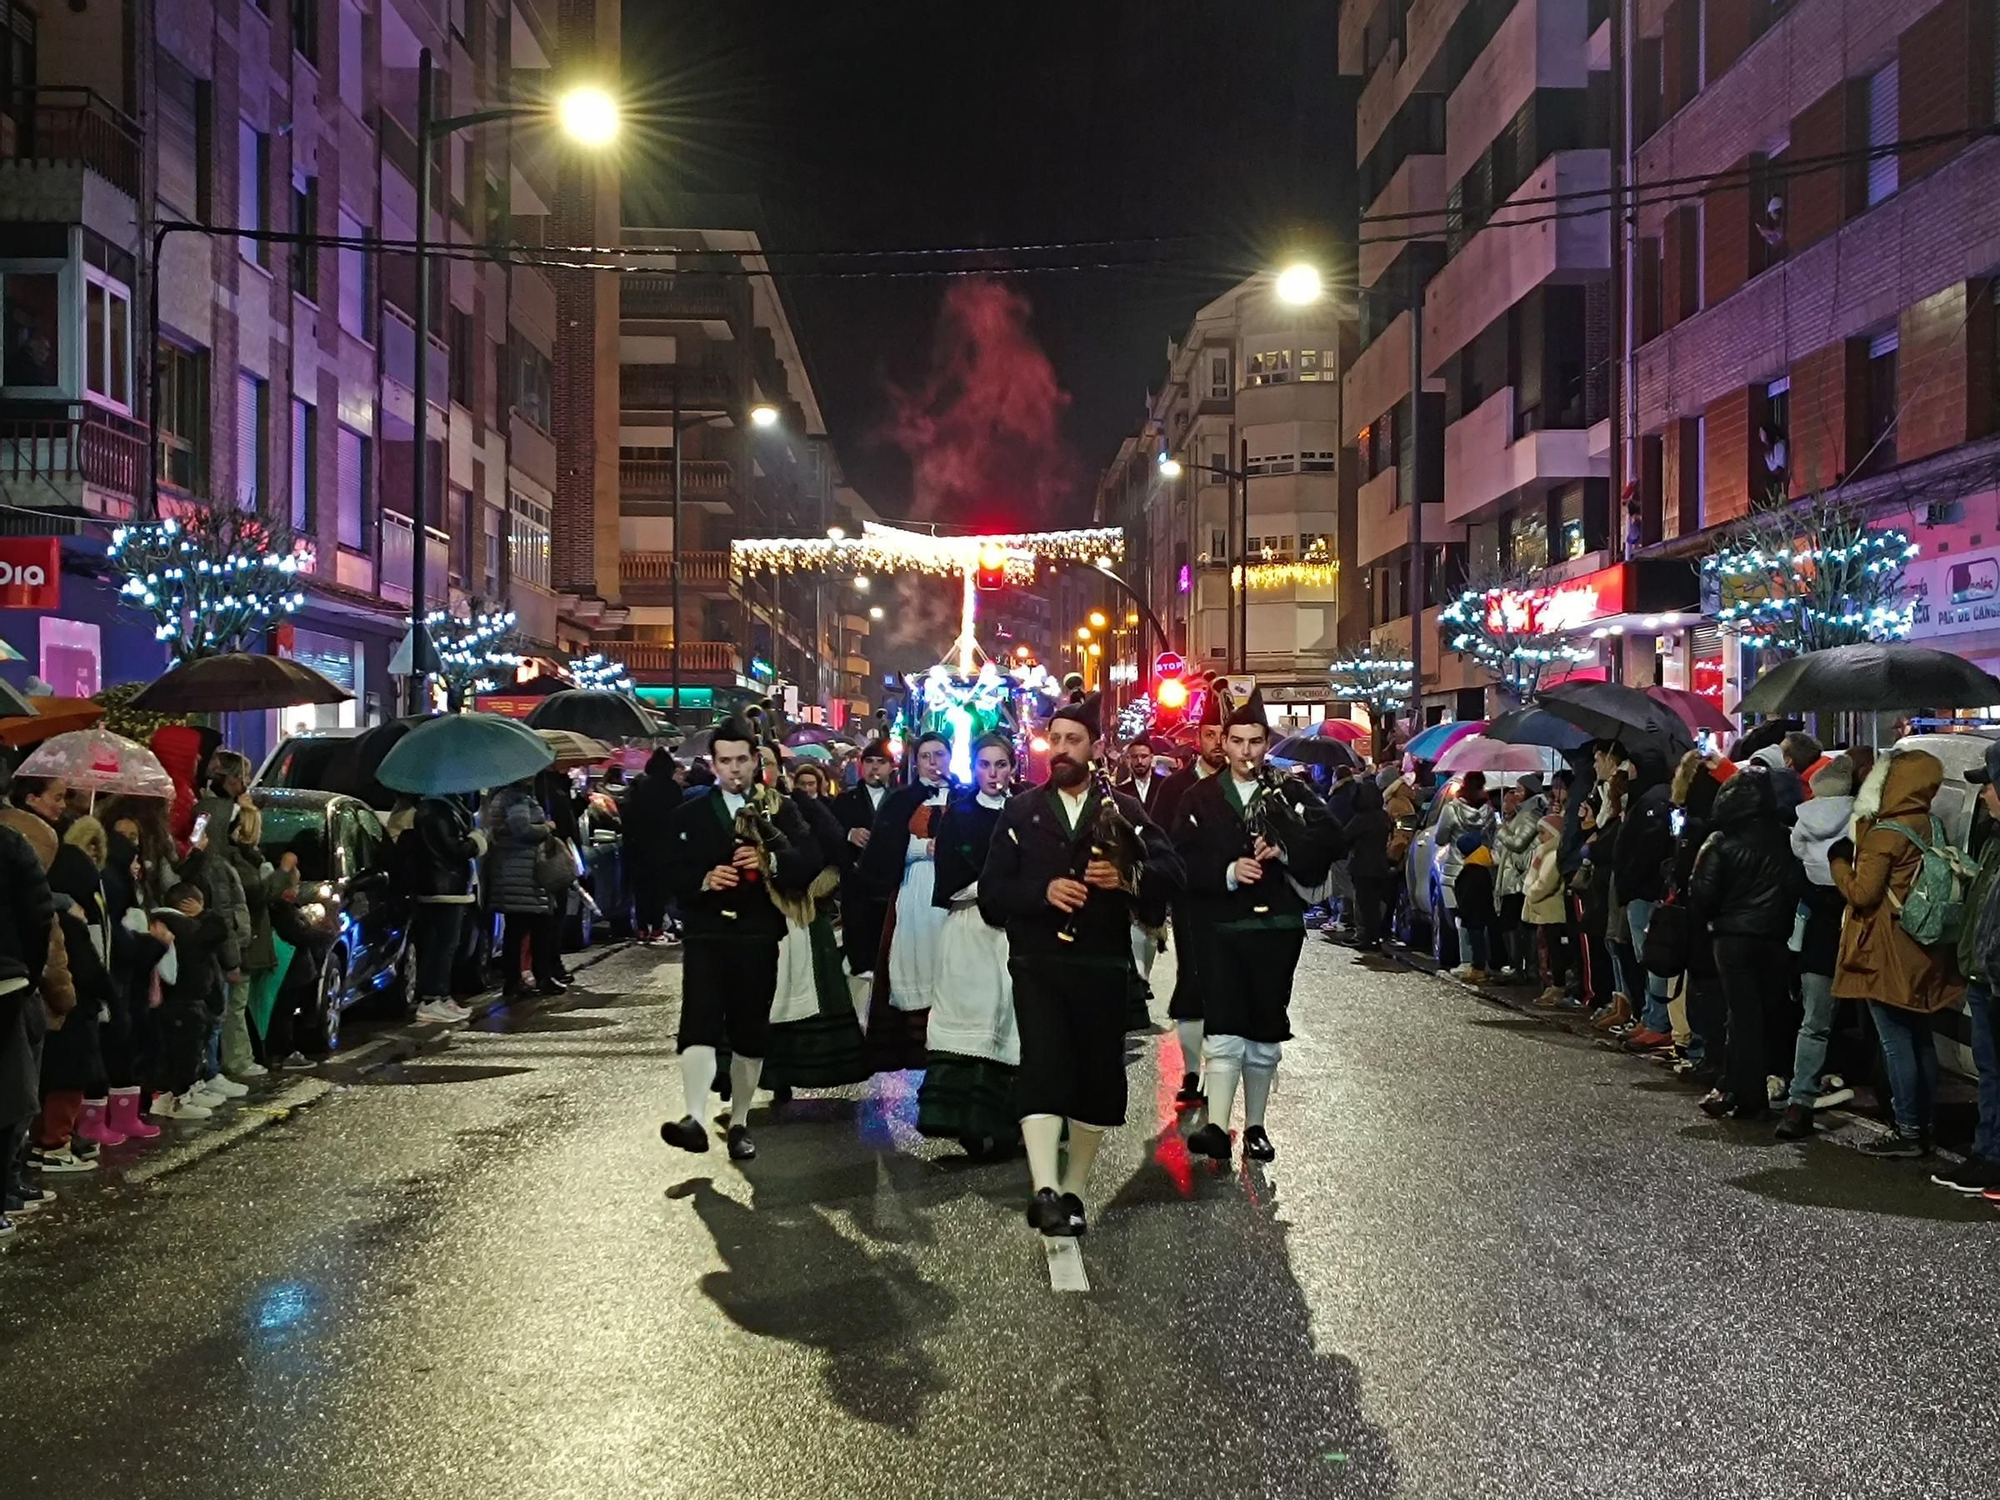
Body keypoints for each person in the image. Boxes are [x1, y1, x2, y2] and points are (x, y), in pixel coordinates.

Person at [981, 693, 1179, 1236]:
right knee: (1044, 1067)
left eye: (1074, 740)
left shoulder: (1122, 811)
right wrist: (1041, 891)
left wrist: (1128, 878)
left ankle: (1074, 1190)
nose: (1062, 749)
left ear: (1094, 747)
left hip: (1102, 966)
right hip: (1038, 962)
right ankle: (1044, 1189)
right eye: (1056, 739)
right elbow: (992, 894)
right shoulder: (1022, 811)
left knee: (1095, 1079)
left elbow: (1172, 869)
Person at [1170, 695, 1341, 1165]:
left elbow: (1331, 837)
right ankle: (1217, 1128)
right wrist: (1226, 871)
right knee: (1223, 1023)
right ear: (1222, 743)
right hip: (1219, 927)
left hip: (1277, 927)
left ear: (1268, 744)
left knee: (1265, 1024)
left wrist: (1285, 851)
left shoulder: (1289, 791)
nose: (1247, 751)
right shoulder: (1198, 798)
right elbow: (1179, 860)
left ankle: (1258, 1128)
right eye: (1238, 741)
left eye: (1256, 742)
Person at [659, 716, 826, 1162]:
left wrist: (769, 859)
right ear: (712, 764)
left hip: (756, 933)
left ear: (756, 761)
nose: (734, 769)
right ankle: (693, 1117)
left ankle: (739, 1122)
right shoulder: (689, 813)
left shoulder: (781, 810)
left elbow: (808, 862)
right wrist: (703, 878)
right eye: (724, 761)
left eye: (741, 760)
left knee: (750, 1030)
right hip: (707, 932)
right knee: (699, 1020)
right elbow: (667, 871)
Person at [1829, 748, 1964, 1158]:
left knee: (1893, 1040)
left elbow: (1862, 893)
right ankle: (1923, 1124)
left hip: (1885, 949)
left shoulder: (1885, 834)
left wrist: (1839, 861)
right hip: (1921, 946)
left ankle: (1906, 1129)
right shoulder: (1930, 824)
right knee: (1919, 1036)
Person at [916, 733, 1022, 1159]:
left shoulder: (1025, 811)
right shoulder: (958, 814)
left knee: (1012, 1018)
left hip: (1014, 929)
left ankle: (1012, 1120)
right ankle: (966, 1121)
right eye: (984, 765)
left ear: (1013, 767)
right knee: (973, 1015)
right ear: (974, 767)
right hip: (970, 927)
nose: (993, 774)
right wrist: (992, 885)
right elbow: (949, 880)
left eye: (1000, 765)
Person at [1687, 767, 1801, 1120]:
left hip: (1733, 937)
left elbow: (1702, 891)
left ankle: (1742, 1089)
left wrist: (1716, 915)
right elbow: (1794, 884)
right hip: (1775, 937)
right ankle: (1753, 1083)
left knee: (1741, 1015)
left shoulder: (1721, 840)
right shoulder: (1785, 837)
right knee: (1765, 1013)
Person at [760, 747, 870, 1100]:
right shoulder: (731, 807)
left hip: (796, 913)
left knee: (798, 993)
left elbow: (828, 850)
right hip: (750, 920)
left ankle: (793, 1070)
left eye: (767, 763)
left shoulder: (797, 806)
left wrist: (812, 884)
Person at [856, 731, 953, 1071]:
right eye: (926, 756)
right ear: (916, 761)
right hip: (914, 893)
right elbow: (881, 853)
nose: (933, 763)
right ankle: (916, 1047)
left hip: (955, 899)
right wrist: (918, 849)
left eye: (939, 755)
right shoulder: (899, 801)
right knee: (915, 963)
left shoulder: (966, 798)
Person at [1775, 756, 1858, 1139]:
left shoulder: (1803, 821)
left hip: (1817, 934)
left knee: (1813, 1023)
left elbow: (1795, 872)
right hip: (1856, 927)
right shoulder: (1861, 820)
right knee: (1881, 1027)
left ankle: (1800, 1102)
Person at [1154, 685, 1228, 1105]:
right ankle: (1192, 1072)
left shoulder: (1246, 785)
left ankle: (1223, 1070)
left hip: (1233, 901)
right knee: (1194, 981)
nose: (1217, 743)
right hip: (1191, 902)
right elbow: (1160, 844)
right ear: (1197, 739)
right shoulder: (1175, 787)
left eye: (1224, 734)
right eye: (1210, 734)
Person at [0, 817, 61, 1231]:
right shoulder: (12, 845)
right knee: (10, 1091)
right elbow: (38, 919)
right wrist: (27, 974)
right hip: (6, 982)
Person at [1945, 741, 2000, 1194]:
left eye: (1989, 787)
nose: (1983, 797)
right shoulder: (1995, 843)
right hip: (1984, 979)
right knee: (1989, 1071)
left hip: (1994, 982)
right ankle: (1985, 1153)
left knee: (1995, 1073)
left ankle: (1991, 1158)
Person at [400, 793, 486, 1025]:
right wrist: (476, 840)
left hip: (444, 886)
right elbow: (455, 849)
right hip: (443, 887)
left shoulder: (439, 809)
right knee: (442, 945)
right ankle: (432, 998)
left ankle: (441, 995)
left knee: (445, 944)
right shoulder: (436, 812)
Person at [146, 881, 227, 1121]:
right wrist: (205, 915)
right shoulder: (182, 925)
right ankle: (177, 1100)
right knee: (183, 1053)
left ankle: (184, 1094)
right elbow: (218, 931)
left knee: (185, 1051)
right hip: (182, 1000)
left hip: (179, 1001)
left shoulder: (161, 921)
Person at [481, 778, 564, 999]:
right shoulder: (516, 799)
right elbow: (523, 830)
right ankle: (529, 979)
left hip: (519, 873)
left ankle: (522, 980)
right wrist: (547, 827)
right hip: (522, 874)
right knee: (534, 928)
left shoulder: (508, 797)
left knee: (521, 930)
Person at [831, 738, 898, 975]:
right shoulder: (845, 801)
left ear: (891, 766)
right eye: (869, 761)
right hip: (857, 888)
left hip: (890, 888)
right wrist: (848, 834)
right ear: (861, 765)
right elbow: (829, 838)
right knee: (860, 958)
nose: (875, 767)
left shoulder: (900, 800)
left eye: (881, 762)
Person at [623, 747, 683, 945]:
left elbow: (628, 815)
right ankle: (657, 928)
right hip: (665, 846)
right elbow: (678, 818)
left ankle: (641, 929)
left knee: (641, 889)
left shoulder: (639, 786)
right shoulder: (672, 789)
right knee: (660, 889)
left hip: (639, 846)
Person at [1493, 776, 1547, 978]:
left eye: (1518, 790)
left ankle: (1522, 968)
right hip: (1516, 877)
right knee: (1516, 923)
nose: (1514, 794)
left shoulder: (1529, 814)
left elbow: (1518, 843)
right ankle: (1522, 967)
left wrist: (1502, 832)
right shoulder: (1524, 812)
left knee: (1516, 923)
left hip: (1518, 879)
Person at [1522, 816, 1570, 1005]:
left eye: (1543, 832)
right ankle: (1550, 985)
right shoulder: (1543, 853)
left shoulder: (1553, 854)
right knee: (1547, 950)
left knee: (1554, 951)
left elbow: (1545, 883)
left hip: (1551, 911)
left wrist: (1530, 892)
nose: (1540, 837)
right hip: (1543, 912)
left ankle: (1558, 986)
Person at [1344, 777, 1395, 950]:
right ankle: (1375, 937)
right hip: (1380, 865)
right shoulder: (1383, 816)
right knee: (1374, 904)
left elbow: (1345, 837)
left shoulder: (1362, 818)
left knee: (1366, 905)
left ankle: (1369, 939)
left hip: (1362, 866)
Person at [1449, 830, 1497, 983]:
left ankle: (1478, 968)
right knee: (1481, 938)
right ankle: (1480, 966)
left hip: (1473, 913)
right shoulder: (1483, 866)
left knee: (1477, 940)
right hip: (1482, 912)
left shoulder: (1472, 870)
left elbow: (1466, 893)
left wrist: (1462, 910)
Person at [1111, 736, 1164, 815]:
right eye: (1135, 757)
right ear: (1129, 759)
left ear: (1151, 758)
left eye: (1144, 756)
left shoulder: (1165, 785)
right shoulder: (1120, 792)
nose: (1139, 761)